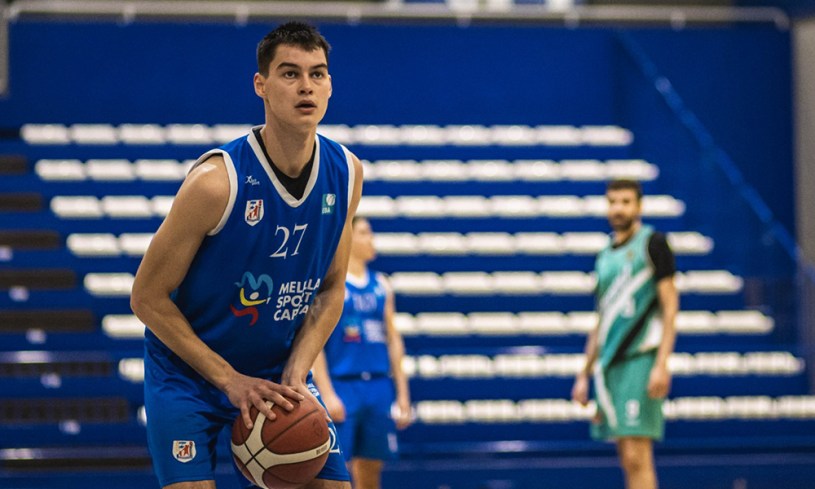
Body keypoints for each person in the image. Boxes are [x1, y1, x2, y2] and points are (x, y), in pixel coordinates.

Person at [130, 21, 363, 489]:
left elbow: (331, 289)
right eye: (290, 73)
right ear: (261, 85)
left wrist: (297, 371)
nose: (306, 86)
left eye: (317, 74)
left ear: (330, 85)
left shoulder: (347, 172)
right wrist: (229, 379)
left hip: (275, 371)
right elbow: (146, 298)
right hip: (189, 375)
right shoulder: (217, 182)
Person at [571, 179, 679, 489]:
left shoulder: (653, 244)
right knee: (624, 453)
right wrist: (584, 372)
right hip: (610, 364)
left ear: (639, 206)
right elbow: (601, 317)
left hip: (640, 358)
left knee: (637, 453)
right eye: (613, 202)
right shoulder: (605, 254)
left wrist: (662, 363)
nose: (618, 208)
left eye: (626, 202)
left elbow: (670, 305)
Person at [312, 217, 411, 489]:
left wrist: (402, 394)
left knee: (371, 471)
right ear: (348, 237)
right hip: (342, 384)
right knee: (334, 473)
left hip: (378, 384)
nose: (371, 239)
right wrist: (326, 393)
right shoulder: (331, 283)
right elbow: (315, 342)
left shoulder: (382, 285)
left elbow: (393, 340)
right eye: (365, 232)